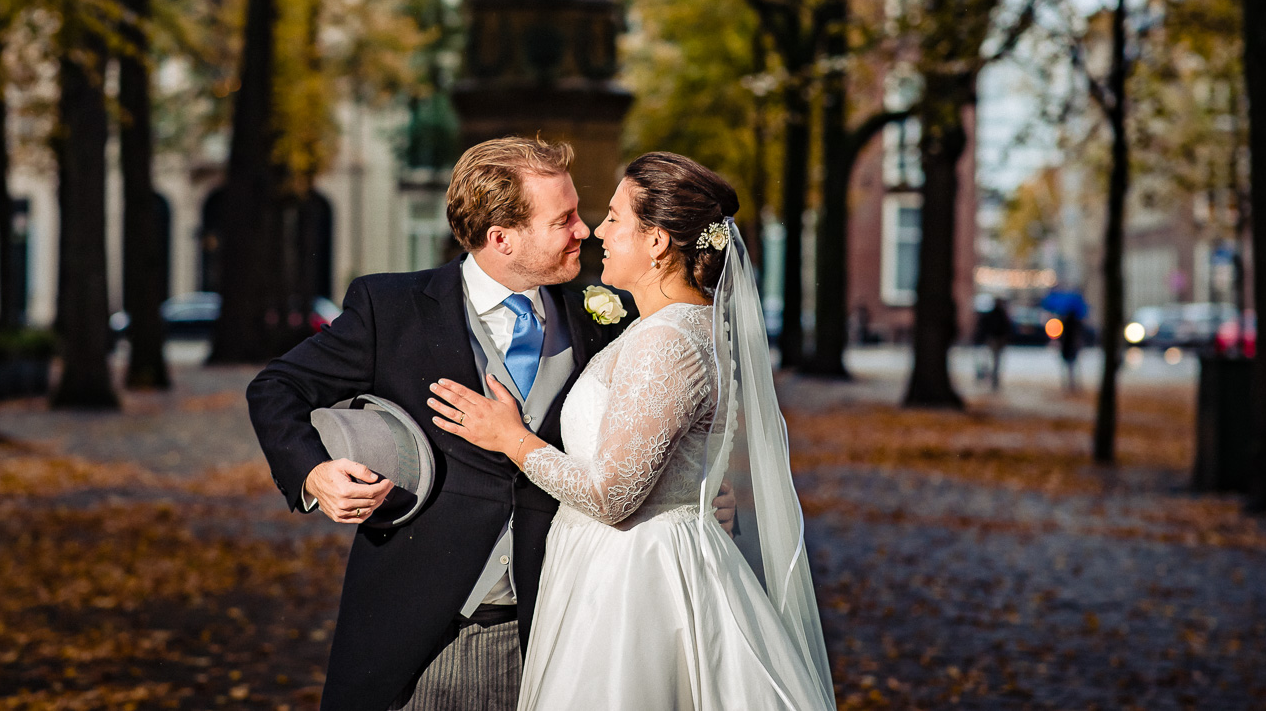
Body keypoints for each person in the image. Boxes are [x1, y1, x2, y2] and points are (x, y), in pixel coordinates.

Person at [246, 138, 733, 711]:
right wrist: (315, 472)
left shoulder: (607, 314)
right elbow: (277, 387)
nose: (585, 230)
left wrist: (695, 492)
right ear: (502, 237)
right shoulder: (391, 308)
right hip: (405, 629)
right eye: (564, 219)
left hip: (548, 628)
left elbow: (649, 430)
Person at [431, 152, 836, 711]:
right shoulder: (677, 327)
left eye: (616, 217)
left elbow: (612, 495)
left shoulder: (665, 341)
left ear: (657, 242)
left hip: (632, 583)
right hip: (625, 560)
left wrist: (511, 438)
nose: (598, 230)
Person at [977, 297, 1012, 390]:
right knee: (995, 360)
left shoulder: (994, 314)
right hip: (996, 339)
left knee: (993, 360)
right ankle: (992, 378)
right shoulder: (1001, 315)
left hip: (994, 339)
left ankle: (992, 379)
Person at [1058, 308, 1082, 392]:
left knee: (1068, 367)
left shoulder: (1065, 323)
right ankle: (1072, 384)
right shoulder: (1076, 323)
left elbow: (1062, 337)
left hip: (1067, 348)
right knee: (1071, 367)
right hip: (1071, 348)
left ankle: (1069, 384)